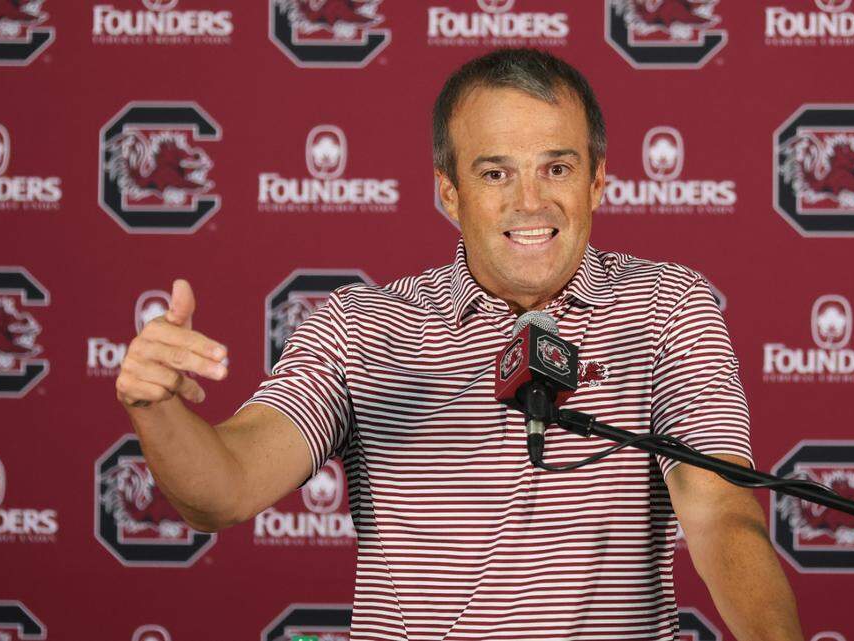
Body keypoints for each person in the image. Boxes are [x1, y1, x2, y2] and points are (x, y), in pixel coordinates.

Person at [116, 48, 803, 640]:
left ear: (598, 180)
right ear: (450, 192)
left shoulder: (667, 306)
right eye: (496, 173)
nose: (530, 202)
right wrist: (158, 409)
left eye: (556, 169)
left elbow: (721, 513)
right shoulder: (360, 326)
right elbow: (224, 488)